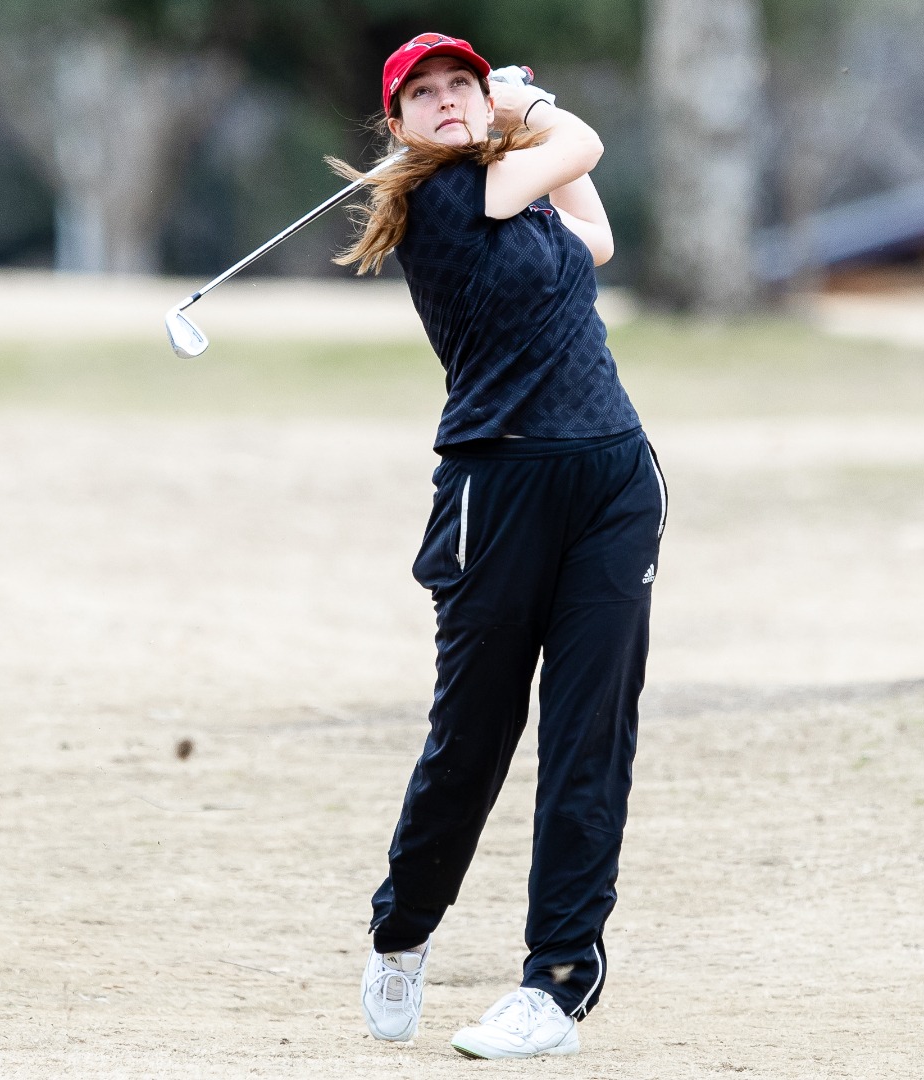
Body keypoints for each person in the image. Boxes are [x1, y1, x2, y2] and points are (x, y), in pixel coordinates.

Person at [343, 32, 665, 1062]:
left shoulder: (515, 194)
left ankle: (556, 985)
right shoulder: (441, 201)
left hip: (613, 480)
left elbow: (597, 237)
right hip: (499, 492)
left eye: (461, 87)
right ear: (397, 125)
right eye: (422, 95)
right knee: (472, 742)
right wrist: (525, 109)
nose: (445, 102)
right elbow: (587, 140)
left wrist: (517, 123)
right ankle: (404, 932)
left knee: (588, 741)